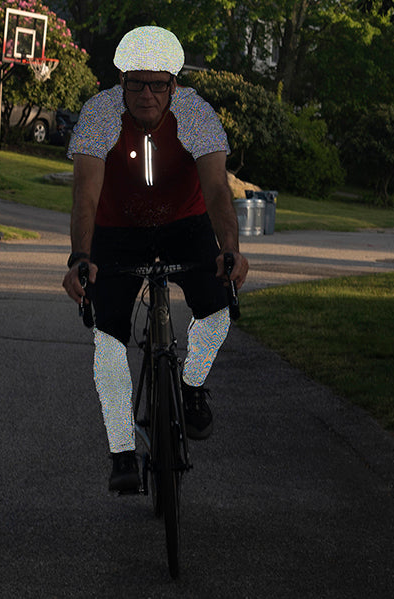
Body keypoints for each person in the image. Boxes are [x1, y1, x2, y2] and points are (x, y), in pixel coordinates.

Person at [59, 25, 250, 494]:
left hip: (185, 225)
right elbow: (86, 195)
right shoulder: (100, 114)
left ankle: (191, 385)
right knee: (108, 338)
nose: (146, 94)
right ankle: (122, 449)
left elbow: (217, 192)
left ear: (174, 85)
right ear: (120, 81)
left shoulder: (197, 115)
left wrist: (230, 249)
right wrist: (80, 257)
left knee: (217, 309)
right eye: (135, 83)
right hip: (117, 230)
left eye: (158, 84)